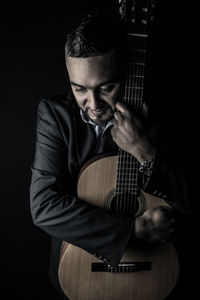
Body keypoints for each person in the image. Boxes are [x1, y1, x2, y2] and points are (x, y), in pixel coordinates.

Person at [30, 13, 193, 299]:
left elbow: (191, 203)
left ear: (125, 73)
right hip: (79, 272)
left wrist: (143, 151)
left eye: (106, 87)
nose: (92, 104)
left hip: (154, 273)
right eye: (79, 88)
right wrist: (134, 230)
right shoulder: (54, 116)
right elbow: (44, 207)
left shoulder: (161, 115)